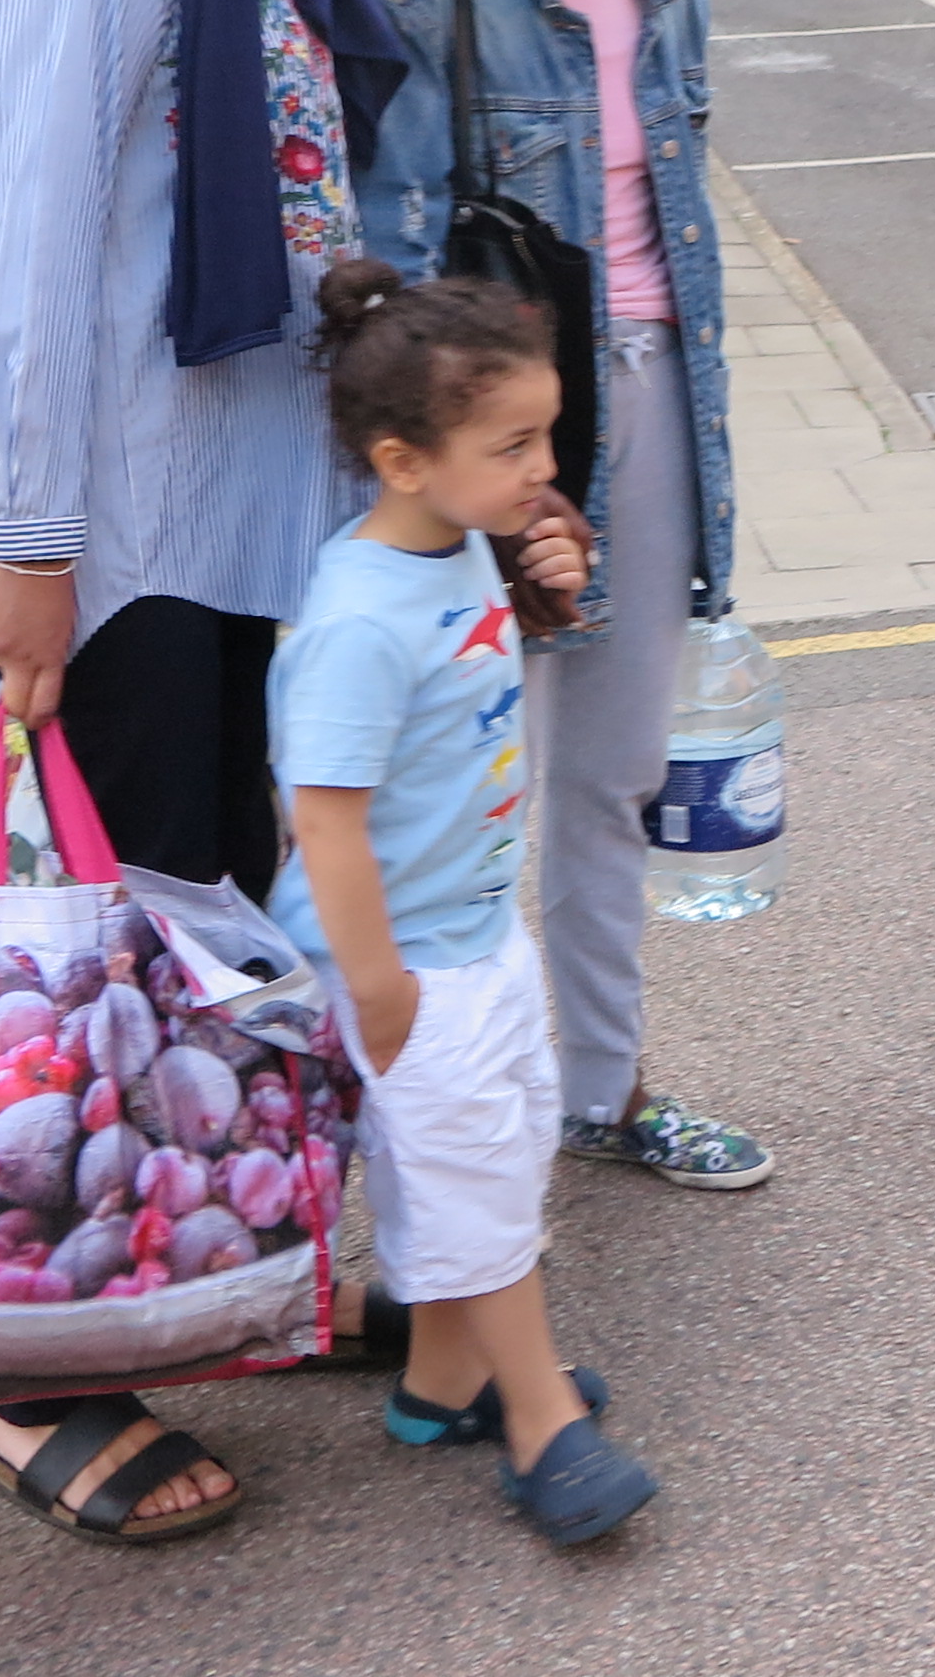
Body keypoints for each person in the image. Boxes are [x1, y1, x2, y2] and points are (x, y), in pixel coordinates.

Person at [0, 0, 421, 1540]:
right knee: (95, 951)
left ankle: (212, 1270)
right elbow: (24, 217)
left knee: (216, 929)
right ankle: (33, 1381)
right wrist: (17, 529)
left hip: (259, 508)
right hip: (127, 524)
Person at [359, 0, 773, 1190]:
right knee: (456, 789)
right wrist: (506, 478)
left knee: (611, 773)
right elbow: (387, 276)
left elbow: (672, 226)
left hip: (653, 398)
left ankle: (600, 1090)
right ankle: (451, 1128)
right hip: (486, 430)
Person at [275, 261, 660, 1544]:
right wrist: (375, 982)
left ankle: (442, 1387)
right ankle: (542, 1420)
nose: (541, 466)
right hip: (402, 962)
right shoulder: (358, 618)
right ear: (401, 460)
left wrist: (542, 569)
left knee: (507, 1138)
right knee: (476, 1183)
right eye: (513, 446)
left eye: (544, 435)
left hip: (474, 933)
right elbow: (322, 814)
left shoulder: (457, 552)